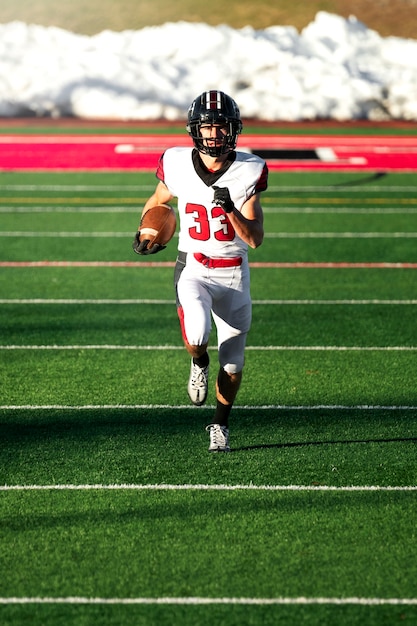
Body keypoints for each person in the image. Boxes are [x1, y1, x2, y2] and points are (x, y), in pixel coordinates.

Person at [133, 90, 268, 452]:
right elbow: (159, 199)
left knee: (234, 365)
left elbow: (255, 239)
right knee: (197, 335)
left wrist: (231, 211)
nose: (213, 134)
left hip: (234, 274)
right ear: (195, 130)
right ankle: (199, 362)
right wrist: (146, 229)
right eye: (207, 126)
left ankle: (220, 425)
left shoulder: (249, 170)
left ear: (233, 131)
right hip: (193, 266)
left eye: (220, 127)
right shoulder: (176, 163)